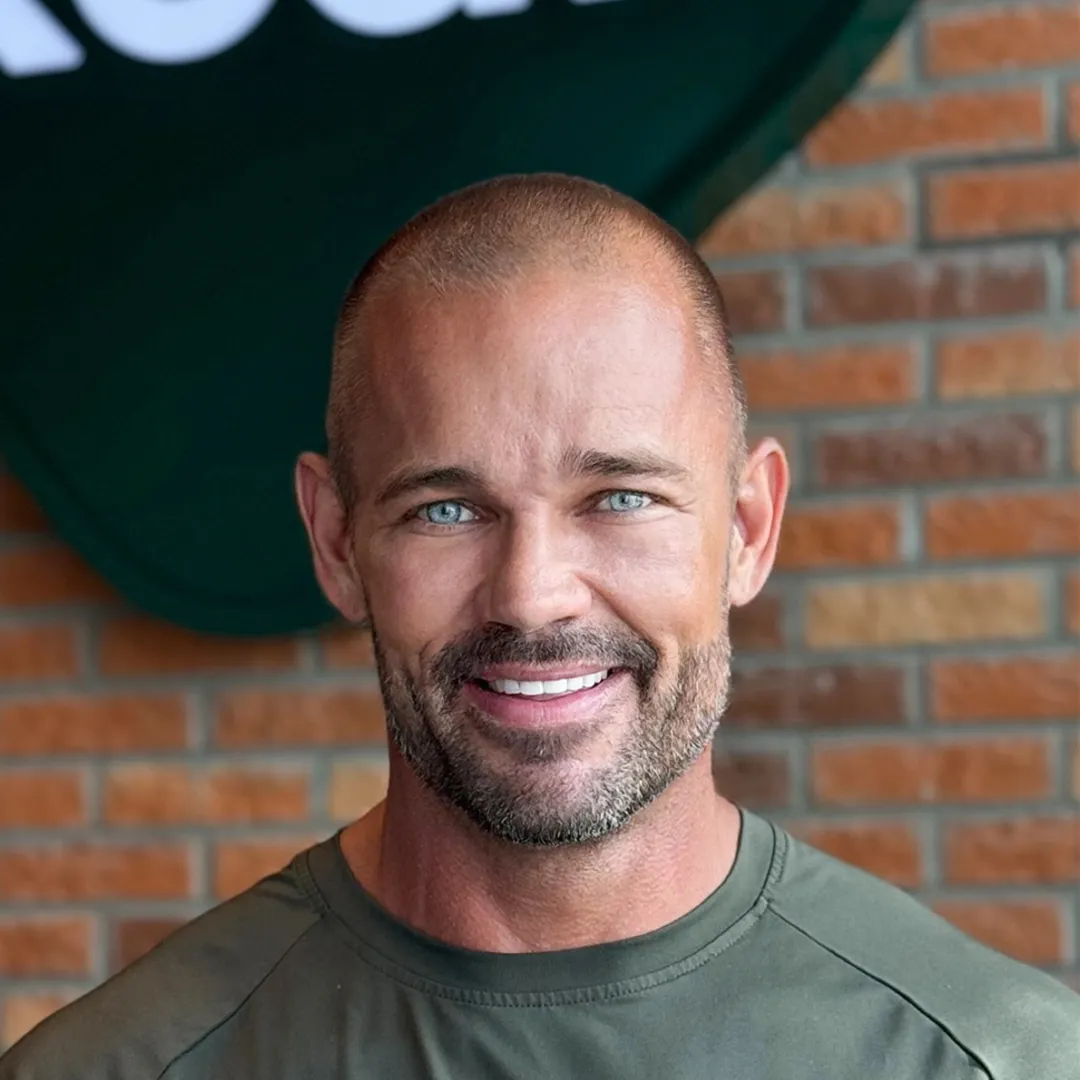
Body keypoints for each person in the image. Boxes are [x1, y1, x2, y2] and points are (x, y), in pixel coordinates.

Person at [3, 174, 1077, 1080]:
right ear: (335, 543)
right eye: (447, 509)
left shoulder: (993, 1059)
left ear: (748, 529)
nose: (531, 594)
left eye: (619, 497)